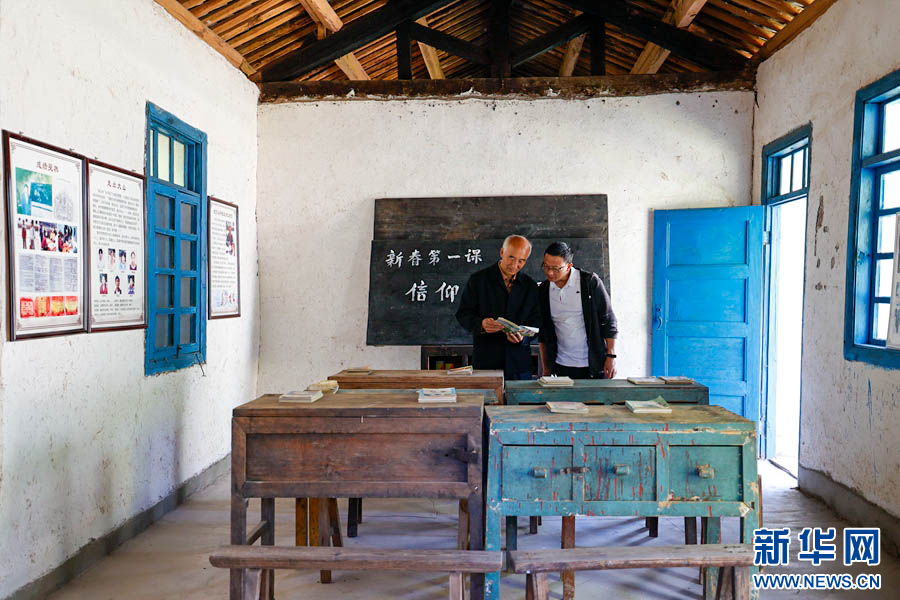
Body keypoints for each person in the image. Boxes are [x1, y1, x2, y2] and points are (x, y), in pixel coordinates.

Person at [455, 235, 540, 380]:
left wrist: (523, 338)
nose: (515, 265)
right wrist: (481, 324)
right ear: (502, 252)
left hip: (519, 364)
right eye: (511, 257)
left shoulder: (530, 286)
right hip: (486, 362)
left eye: (521, 261)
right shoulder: (478, 280)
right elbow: (463, 314)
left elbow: (537, 322)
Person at [538, 241, 618, 379]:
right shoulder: (544, 289)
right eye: (546, 266)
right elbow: (543, 333)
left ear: (569, 266)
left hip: (593, 364)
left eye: (556, 268)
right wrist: (546, 368)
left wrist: (611, 356)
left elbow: (609, 320)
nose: (550, 272)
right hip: (561, 364)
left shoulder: (589, 282)